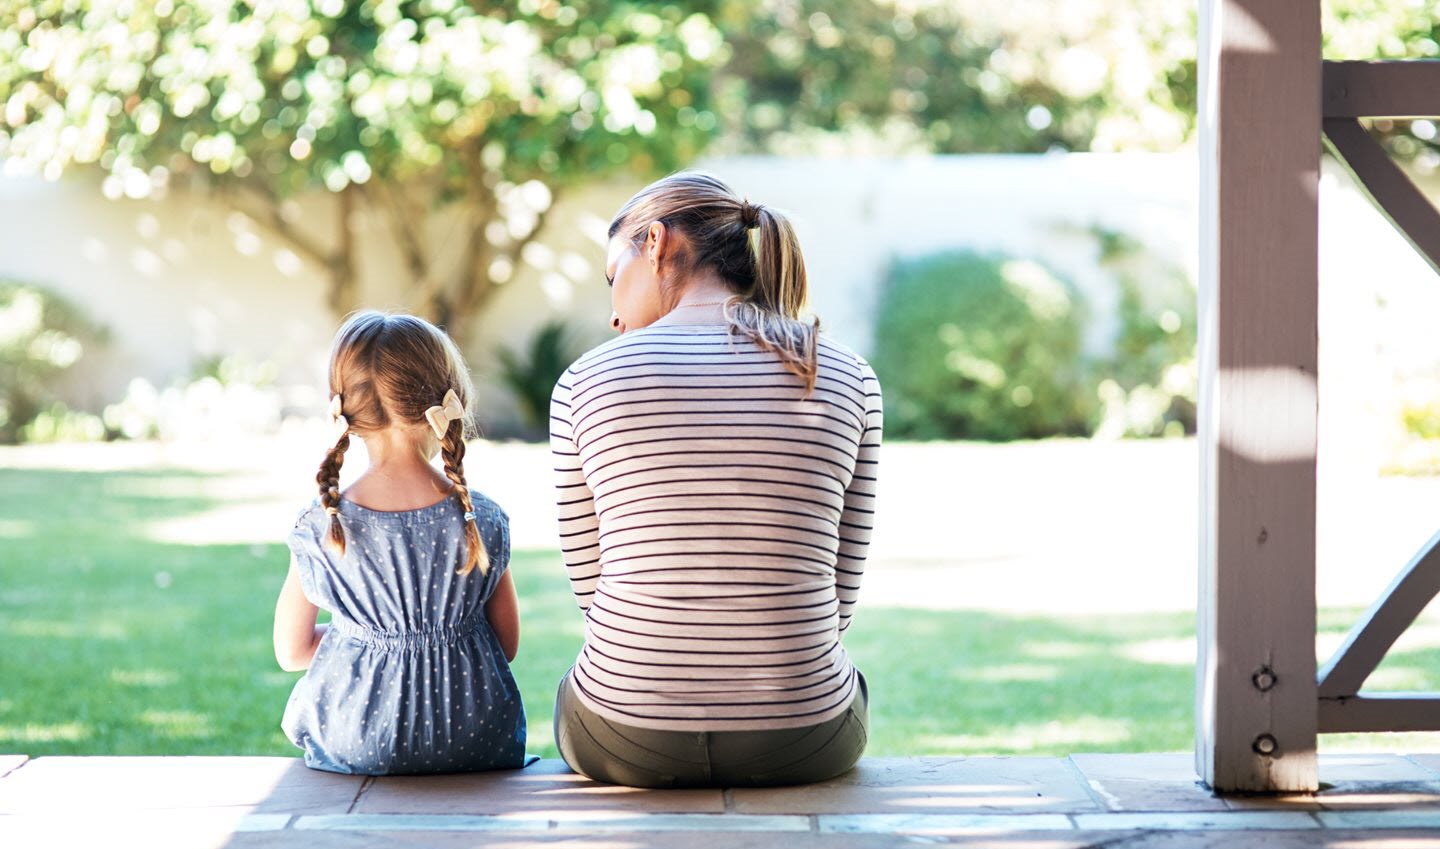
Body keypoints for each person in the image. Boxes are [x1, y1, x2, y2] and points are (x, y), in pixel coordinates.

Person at [549, 172, 882, 787]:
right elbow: (840, 593)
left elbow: (593, 593)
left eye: (611, 277)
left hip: (624, 737)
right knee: (847, 681)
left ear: (654, 242)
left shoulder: (585, 382)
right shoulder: (845, 374)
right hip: (803, 737)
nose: (613, 312)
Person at [273, 310, 531, 775]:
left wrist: (367, 636)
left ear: (344, 411)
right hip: (475, 739)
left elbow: (291, 652)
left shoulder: (322, 524)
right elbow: (506, 644)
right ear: (447, 400)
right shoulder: (482, 518)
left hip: (357, 740)